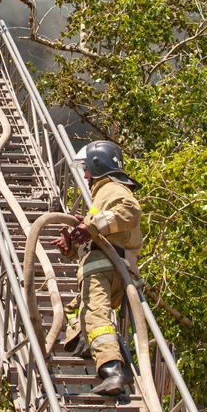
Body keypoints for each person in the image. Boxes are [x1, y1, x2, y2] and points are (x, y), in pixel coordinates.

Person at [52, 140, 142, 397]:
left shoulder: (112, 189)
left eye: (86, 170)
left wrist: (90, 226)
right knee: (76, 313)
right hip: (111, 267)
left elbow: (129, 211)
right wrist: (72, 243)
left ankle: (112, 371)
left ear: (97, 165)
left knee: (95, 316)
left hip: (104, 268)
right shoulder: (101, 195)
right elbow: (99, 232)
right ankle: (86, 343)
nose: (84, 176)